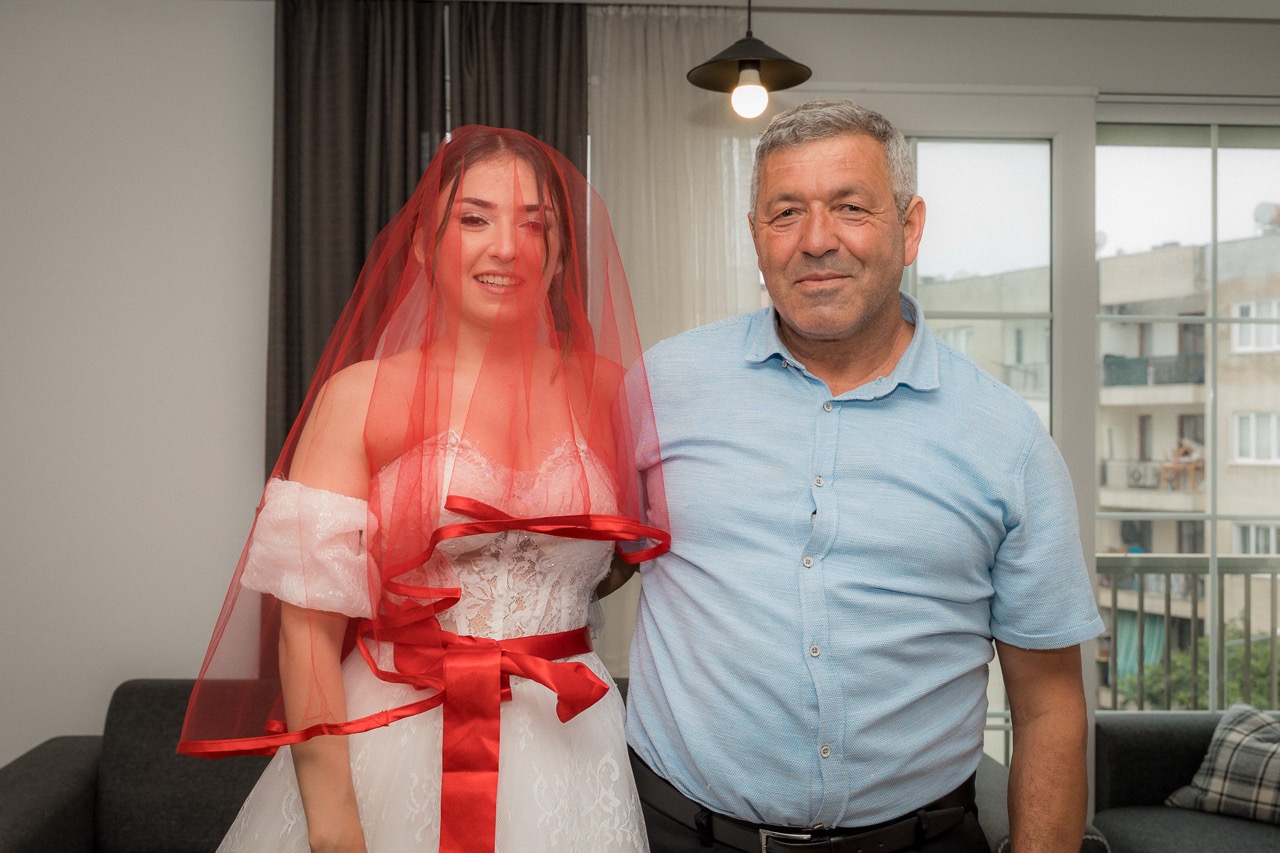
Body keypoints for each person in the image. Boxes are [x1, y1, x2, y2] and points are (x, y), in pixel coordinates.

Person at [621, 100, 1104, 853]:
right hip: (678, 832)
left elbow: (1049, 706)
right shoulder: (661, 386)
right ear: (756, 235)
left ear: (909, 227)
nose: (817, 240)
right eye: (786, 212)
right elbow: (581, 561)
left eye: (850, 207)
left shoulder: (1007, 439)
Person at [178, 125, 669, 853]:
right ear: (421, 245)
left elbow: (628, 556)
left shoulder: (610, 392)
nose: (507, 247)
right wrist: (334, 825)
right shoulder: (360, 397)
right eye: (474, 219)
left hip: (569, 741)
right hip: (392, 735)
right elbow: (308, 630)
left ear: (562, 252)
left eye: (534, 223)